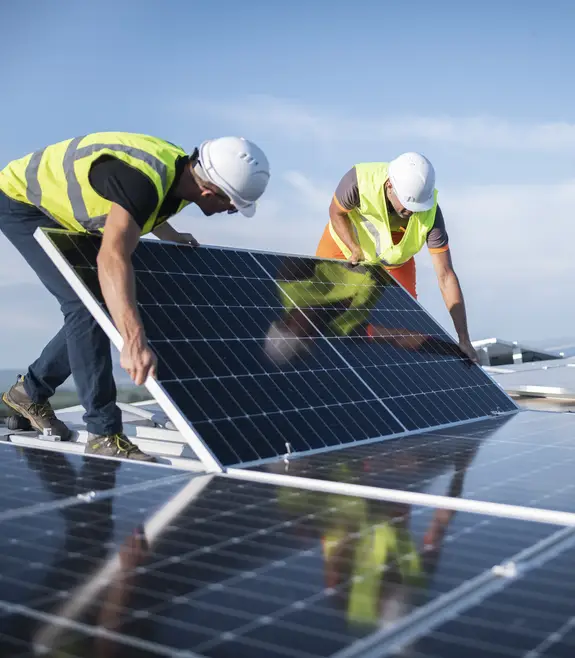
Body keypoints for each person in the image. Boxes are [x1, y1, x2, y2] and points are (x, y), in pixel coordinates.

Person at [0, 132, 270, 461]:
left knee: (110, 302)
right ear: (208, 189)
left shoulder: (185, 174)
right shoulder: (143, 181)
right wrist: (133, 341)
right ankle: (103, 433)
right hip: (23, 201)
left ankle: (29, 392)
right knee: (86, 307)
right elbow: (112, 256)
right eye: (232, 202)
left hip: (68, 210)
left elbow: (146, 206)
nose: (232, 210)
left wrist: (170, 234)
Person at [315, 152, 478, 362]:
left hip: (395, 261)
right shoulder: (359, 180)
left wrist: (464, 338)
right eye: (407, 205)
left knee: (405, 325)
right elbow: (336, 212)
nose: (411, 212)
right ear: (390, 185)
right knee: (321, 313)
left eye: (416, 207)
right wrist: (354, 248)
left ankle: (382, 371)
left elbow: (445, 276)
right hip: (344, 249)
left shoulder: (431, 215)